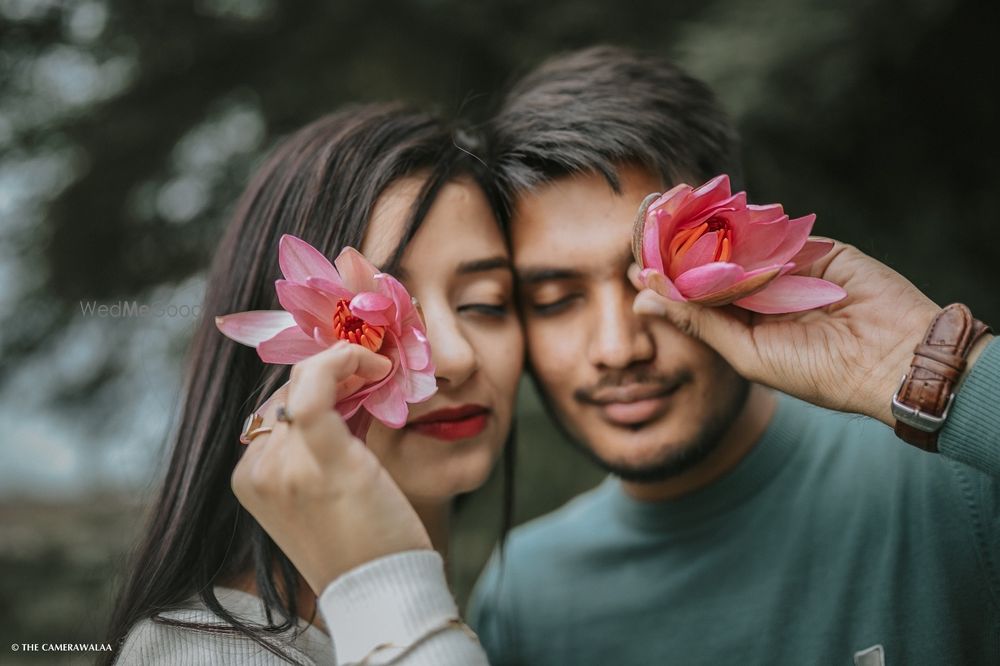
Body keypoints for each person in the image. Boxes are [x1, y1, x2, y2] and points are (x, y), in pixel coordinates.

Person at [468, 46, 1000, 665]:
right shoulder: (523, 604)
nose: (618, 348)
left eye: (652, 277)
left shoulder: (954, 481)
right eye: (556, 299)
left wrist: (948, 376)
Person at [104, 104, 521, 665]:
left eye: (487, 303)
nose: (455, 356)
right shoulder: (201, 652)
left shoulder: (511, 614)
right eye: (397, 312)